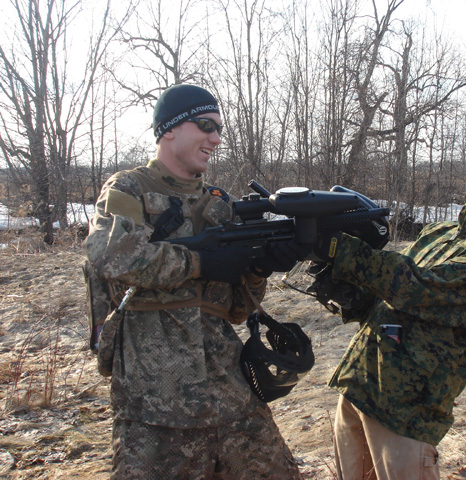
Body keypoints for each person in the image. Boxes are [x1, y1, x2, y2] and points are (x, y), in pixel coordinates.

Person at [84, 84, 307, 479]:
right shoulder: (128, 189)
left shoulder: (220, 206)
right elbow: (111, 255)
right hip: (155, 412)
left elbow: (236, 310)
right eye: (205, 125)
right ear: (169, 129)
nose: (216, 138)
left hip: (232, 400)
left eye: (219, 128)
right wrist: (200, 261)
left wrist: (258, 270)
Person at [313, 137, 466, 480]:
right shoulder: (440, 234)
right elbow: (394, 303)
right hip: (359, 388)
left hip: (406, 415)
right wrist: (352, 293)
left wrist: (341, 248)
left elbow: (417, 288)